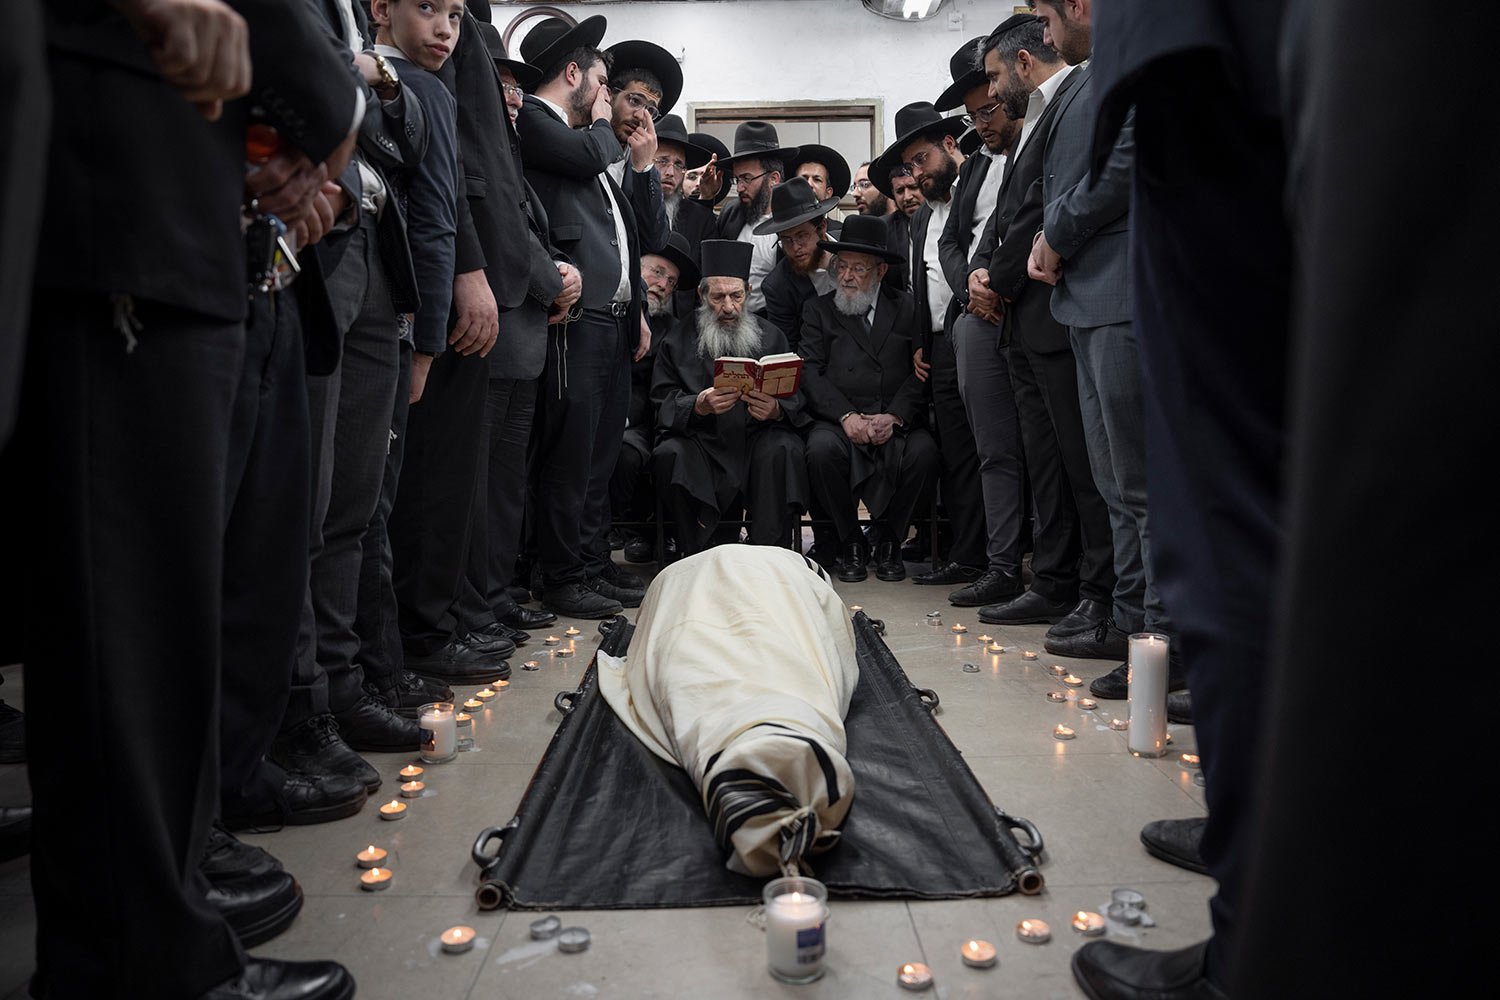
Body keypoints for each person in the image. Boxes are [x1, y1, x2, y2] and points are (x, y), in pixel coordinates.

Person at [7, 0, 360, 994]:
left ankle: (160, 897)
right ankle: (132, 954)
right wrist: (327, 111)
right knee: (126, 618)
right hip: (114, 185)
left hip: (187, 194)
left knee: (163, 613)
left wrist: (307, 149)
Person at [1068, 0, 1294, 995]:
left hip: (1204, 59)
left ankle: (1256, 933)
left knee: (1220, 509)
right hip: (1261, 61)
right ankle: (1271, 826)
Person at [1024, 0, 1180, 689]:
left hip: (1120, 284)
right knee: (1114, 483)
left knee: (1143, 483)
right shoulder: (1095, 69)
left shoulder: (1138, 55)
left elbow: (1122, 163)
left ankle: (1167, 638)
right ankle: (1131, 625)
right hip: (1087, 294)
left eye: (1046, 17)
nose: (1046, 34)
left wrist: (1055, 231)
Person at [967, 15, 1117, 650]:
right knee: (1048, 462)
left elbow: (1035, 211)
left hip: (1047, 308)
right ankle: (1058, 578)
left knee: (1084, 464)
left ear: (1024, 65)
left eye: (998, 76)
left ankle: (1098, 589)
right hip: (1025, 319)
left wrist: (995, 282)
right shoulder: (1034, 125)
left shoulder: (1076, 100)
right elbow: (1011, 215)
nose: (994, 93)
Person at [444, 7, 582, 662]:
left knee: (504, 487)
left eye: (516, 83)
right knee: (476, 490)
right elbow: (500, 234)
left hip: (522, 342)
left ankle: (493, 599)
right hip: (493, 338)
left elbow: (529, 235)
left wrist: (559, 268)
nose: (510, 93)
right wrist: (552, 281)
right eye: (499, 80)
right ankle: (471, 608)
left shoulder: (510, 153)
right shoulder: (475, 144)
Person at [517, 15, 645, 619]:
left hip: (611, 317)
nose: (608, 95)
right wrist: (602, 126)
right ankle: (565, 573)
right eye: (601, 80)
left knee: (599, 450)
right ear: (573, 73)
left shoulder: (580, 143)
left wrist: (637, 308)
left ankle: (592, 563)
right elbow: (580, 156)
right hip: (575, 317)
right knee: (570, 453)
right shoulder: (537, 126)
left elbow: (636, 235)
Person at [799, 216, 938, 583]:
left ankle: (891, 538)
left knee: (924, 453)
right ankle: (849, 541)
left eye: (858, 268)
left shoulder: (908, 308)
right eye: (841, 266)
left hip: (892, 420)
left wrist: (894, 416)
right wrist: (846, 416)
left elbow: (920, 372)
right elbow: (810, 372)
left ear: (879, 272)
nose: (846, 276)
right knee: (820, 451)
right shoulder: (819, 310)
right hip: (840, 421)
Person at [652, 240, 809, 556]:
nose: (728, 307)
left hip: (755, 440)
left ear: (748, 292)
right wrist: (697, 405)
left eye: (736, 296)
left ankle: (770, 553)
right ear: (701, 295)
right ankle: (695, 552)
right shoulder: (677, 340)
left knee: (783, 448)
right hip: (703, 442)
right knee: (670, 453)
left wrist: (776, 410)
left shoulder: (772, 336)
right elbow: (660, 403)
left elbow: (797, 399)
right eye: (718, 297)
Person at [610, 232, 697, 562]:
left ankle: (630, 528)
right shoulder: (612, 311)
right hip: (601, 410)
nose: (663, 284)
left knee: (629, 453)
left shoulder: (675, 330)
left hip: (645, 421)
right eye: (657, 272)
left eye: (672, 281)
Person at [712, 121, 801, 313]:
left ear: (774, 179)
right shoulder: (731, 214)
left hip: (774, 327)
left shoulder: (794, 222)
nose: (740, 188)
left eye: (747, 178)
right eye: (737, 180)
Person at [756, 177, 841, 351]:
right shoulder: (778, 287)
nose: (795, 247)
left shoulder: (852, 249)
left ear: (822, 227)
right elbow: (789, 350)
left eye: (802, 235)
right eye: (786, 239)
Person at [652, 114, 716, 317]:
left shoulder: (701, 219)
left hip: (682, 324)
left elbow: (706, 278)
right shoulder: (628, 206)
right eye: (662, 161)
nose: (670, 171)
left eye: (679, 165)